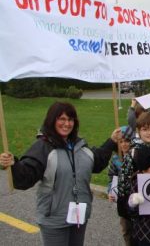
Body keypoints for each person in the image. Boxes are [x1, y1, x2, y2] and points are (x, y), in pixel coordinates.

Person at [0, 102, 121, 246]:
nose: (67, 124)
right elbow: (26, 177)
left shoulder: (79, 145)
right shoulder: (43, 147)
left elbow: (96, 161)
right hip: (54, 219)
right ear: (52, 120)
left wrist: (112, 141)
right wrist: (14, 165)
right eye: (61, 119)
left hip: (79, 215)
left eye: (70, 119)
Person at [117, 111, 150, 220]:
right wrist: (127, 204)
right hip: (139, 205)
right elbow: (124, 180)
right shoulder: (133, 153)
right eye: (145, 129)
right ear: (138, 131)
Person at [107, 125, 133, 246]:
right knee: (126, 229)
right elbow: (112, 177)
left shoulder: (136, 157)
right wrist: (110, 192)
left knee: (137, 229)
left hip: (135, 198)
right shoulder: (116, 159)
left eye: (127, 141)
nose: (124, 144)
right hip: (122, 200)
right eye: (121, 141)